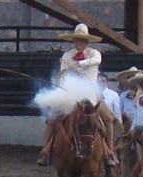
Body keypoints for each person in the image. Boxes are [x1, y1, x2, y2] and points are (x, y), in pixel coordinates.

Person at [36, 24, 116, 166]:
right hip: (71, 94)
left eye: (81, 40)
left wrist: (79, 64)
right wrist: (65, 75)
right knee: (52, 118)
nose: (78, 43)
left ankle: (109, 153)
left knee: (108, 118)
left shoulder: (94, 54)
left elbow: (97, 61)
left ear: (86, 42)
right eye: (76, 40)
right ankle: (46, 152)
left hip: (92, 94)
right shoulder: (66, 56)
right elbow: (62, 75)